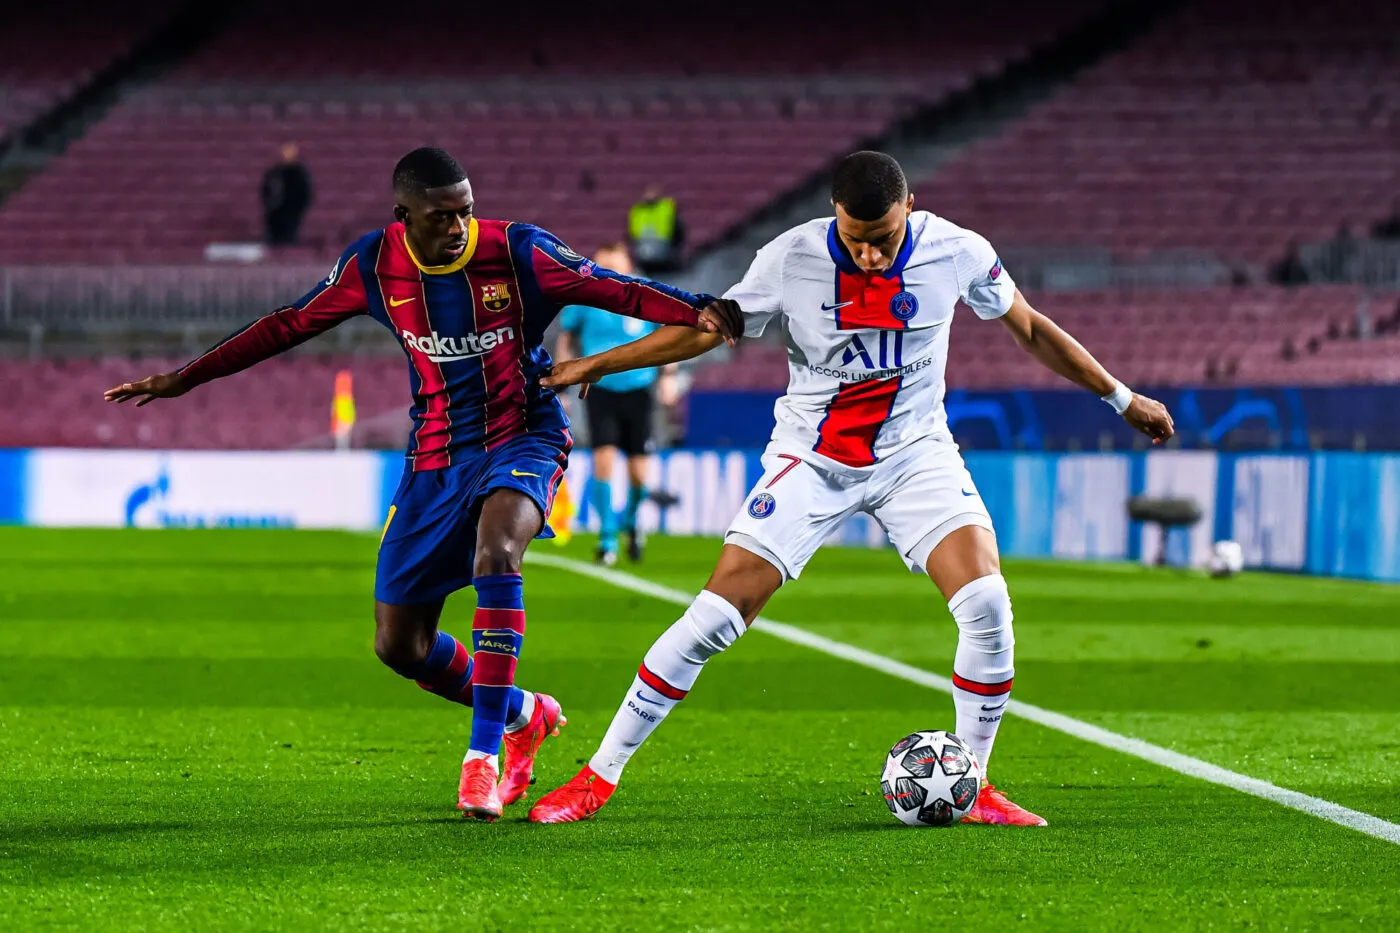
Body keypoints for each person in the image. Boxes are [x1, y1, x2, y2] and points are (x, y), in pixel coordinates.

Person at [529, 151, 1174, 826]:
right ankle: (597, 777)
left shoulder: (957, 252)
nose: (868, 255)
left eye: (884, 240)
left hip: (916, 455)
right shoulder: (791, 257)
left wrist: (1122, 398)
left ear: (911, 209)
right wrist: (591, 365)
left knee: (987, 605)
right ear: (834, 214)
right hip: (812, 459)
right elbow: (705, 331)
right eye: (855, 239)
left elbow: (1032, 328)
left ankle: (975, 782)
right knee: (715, 620)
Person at [105, 147, 742, 822]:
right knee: (398, 644)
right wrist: (187, 376)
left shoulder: (519, 250)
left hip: (524, 433)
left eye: (466, 209)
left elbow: (613, 288)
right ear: (403, 215)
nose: (459, 225)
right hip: (435, 457)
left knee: (498, 553)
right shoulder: (371, 266)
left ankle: (482, 758)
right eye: (442, 216)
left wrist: (699, 306)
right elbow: (288, 323)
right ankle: (525, 712)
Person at [555, 243, 682, 565]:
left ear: (627, 264)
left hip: (640, 392)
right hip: (599, 391)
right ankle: (607, 537)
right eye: (602, 266)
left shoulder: (646, 293)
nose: (607, 272)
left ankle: (631, 522)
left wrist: (668, 376)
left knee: (639, 474)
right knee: (603, 461)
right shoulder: (586, 296)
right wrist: (562, 387)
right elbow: (566, 337)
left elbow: (672, 333)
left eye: (613, 265)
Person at [261, 142, 313, 246]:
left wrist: (301, 205)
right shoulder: (275, 172)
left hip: (293, 210)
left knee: (289, 237)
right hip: (276, 211)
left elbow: (304, 191)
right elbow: (266, 189)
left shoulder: (300, 172)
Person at [627, 184, 685, 275]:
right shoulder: (637, 210)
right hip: (643, 255)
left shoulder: (667, 207)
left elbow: (678, 229)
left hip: (665, 253)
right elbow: (631, 232)